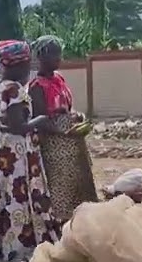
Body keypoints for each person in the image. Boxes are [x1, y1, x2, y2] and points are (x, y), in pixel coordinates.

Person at [0, 40, 60, 262]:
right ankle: (22, 252)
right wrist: (40, 121)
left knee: (7, 198)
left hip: (4, 151)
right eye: (28, 64)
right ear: (20, 64)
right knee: (21, 199)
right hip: (17, 154)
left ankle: (5, 250)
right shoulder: (14, 89)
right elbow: (19, 125)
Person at [29, 35, 96, 224]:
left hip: (73, 143)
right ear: (42, 56)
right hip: (56, 148)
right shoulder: (36, 86)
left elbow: (66, 108)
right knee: (62, 190)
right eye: (54, 54)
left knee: (80, 189)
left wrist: (78, 117)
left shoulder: (59, 79)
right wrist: (63, 132)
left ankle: (82, 225)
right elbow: (41, 120)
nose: (59, 58)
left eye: (60, 54)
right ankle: (63, 228)